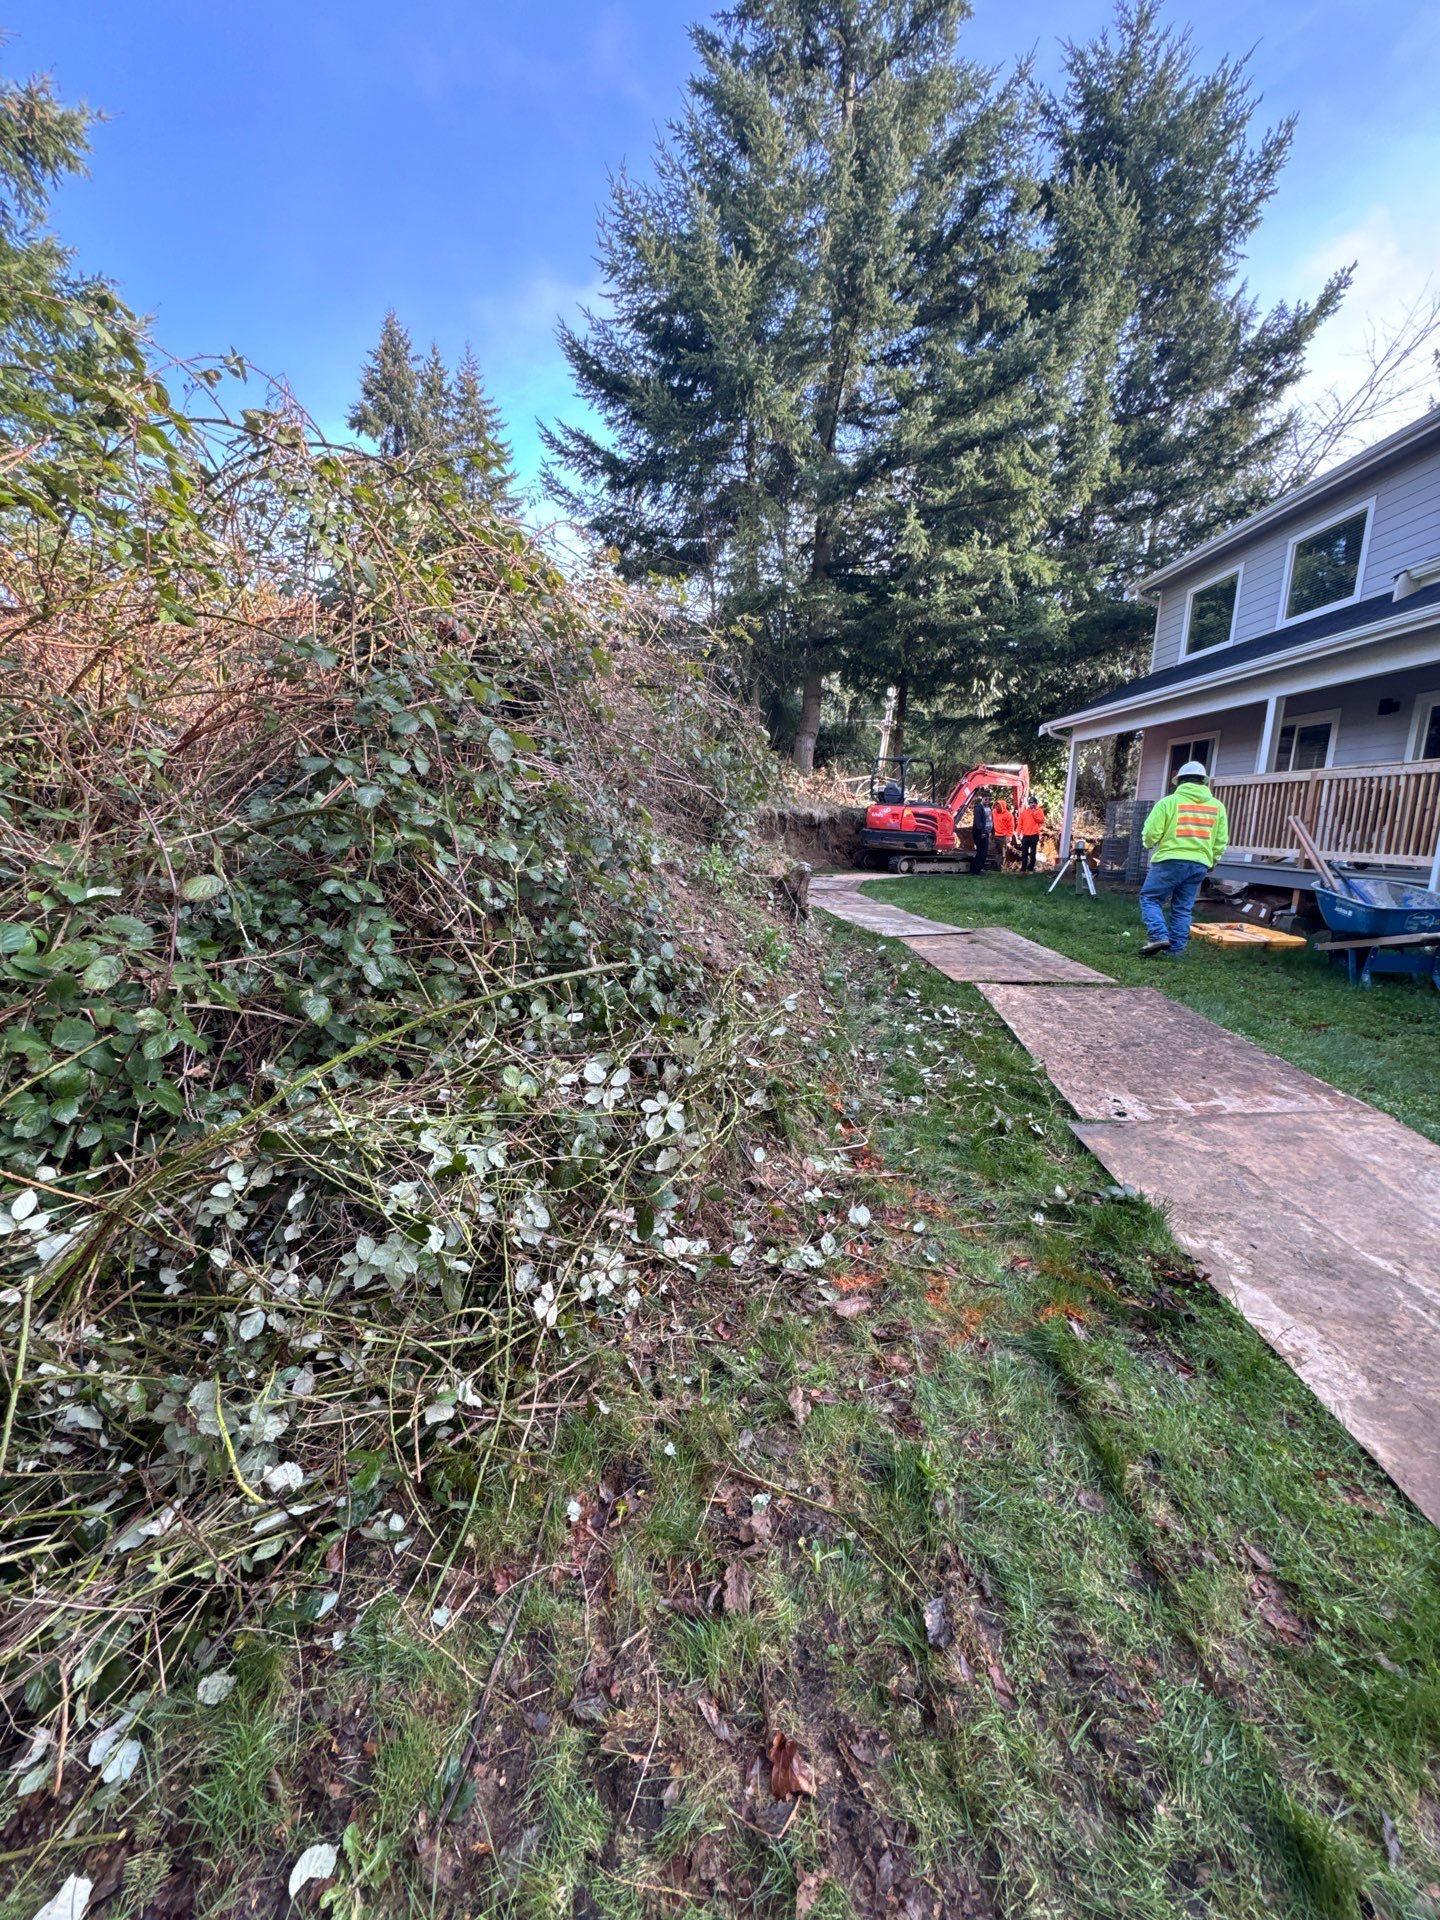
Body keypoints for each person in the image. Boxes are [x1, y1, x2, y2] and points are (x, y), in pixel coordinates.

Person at [1138, 760, 1229, 956]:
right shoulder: (1217, 807)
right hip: (1199, 864)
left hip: (1169, 861)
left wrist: (1148, 843)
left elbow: (1151, 832)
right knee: (1182, 908)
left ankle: (1158, 936)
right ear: (1203, 782)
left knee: (1150, 898)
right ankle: (1175, 952)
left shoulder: (1169, 802)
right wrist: (1213, 860)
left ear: (1179, 781)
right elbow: (1221, 840)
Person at [1017, 794, 1046, 871]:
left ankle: (1030, 868)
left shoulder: (1039, 811)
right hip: (1025, 835)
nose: (1032, 804)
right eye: (1030, 803)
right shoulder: (1024, 812)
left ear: (1036, 804)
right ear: (1029, 804)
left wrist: (1034, 813)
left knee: (1033, 853)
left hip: (1034, 835)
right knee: (1024, 853)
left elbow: (1041, 821)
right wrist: (1018, 832)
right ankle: (1023, 869)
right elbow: (1020, 823)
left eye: (1033, 803)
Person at [970, 791, 993, 874]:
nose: (987, 800)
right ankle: (975, 870)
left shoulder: (988, 807)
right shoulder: (979, 808)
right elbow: (978, 822)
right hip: (980, 833)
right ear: (982, 798)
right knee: (982, 852)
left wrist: (991, 831)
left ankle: (978, 869)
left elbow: (989, 820)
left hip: (986, 832)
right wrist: (982, 832)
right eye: (986, 799)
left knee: (983, 851)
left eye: (989, 799)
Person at [991, 793, 1015, 865]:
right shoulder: (994, 812)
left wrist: (1009, 836)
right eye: (996, 806)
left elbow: (1011, 826)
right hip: (995, 835)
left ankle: (1000, 866)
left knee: (1002, 852)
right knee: (995, 851)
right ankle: (995, 865)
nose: (997, 807)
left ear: (1003, 807)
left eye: (998, 806)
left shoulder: (1008, 815)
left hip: (1003, 836)